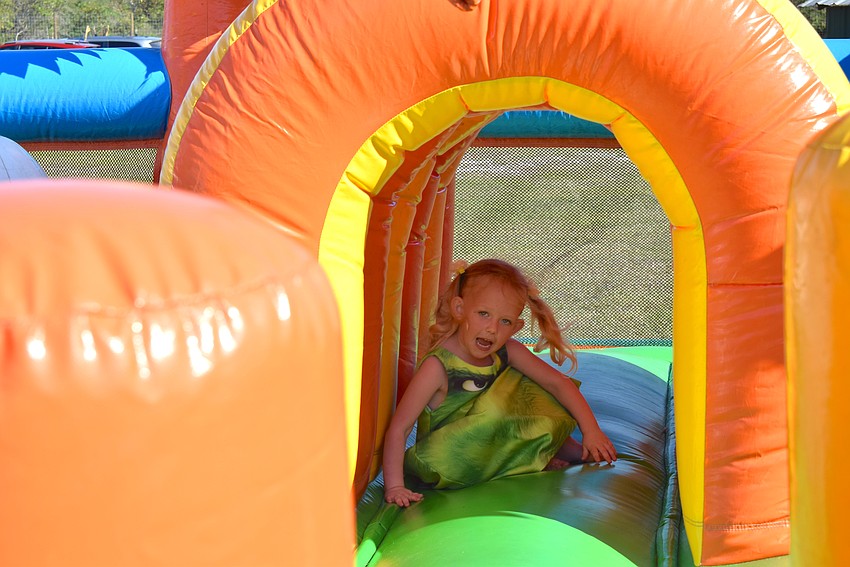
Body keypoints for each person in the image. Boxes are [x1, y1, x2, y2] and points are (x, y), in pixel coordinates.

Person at [383, 258, 617, 507]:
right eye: (484, 314)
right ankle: (536, 455)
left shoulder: (508, 350)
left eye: (504, 321)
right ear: (459, 309)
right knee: (499, 404)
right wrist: (396, 486)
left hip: (490, 446)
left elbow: (557, 383)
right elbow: (401, 427)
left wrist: (592, 430)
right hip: (449, 459)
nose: (492, 329)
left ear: (516, 327)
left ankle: (548, 449)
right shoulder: (438, 366)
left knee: (539, 384)